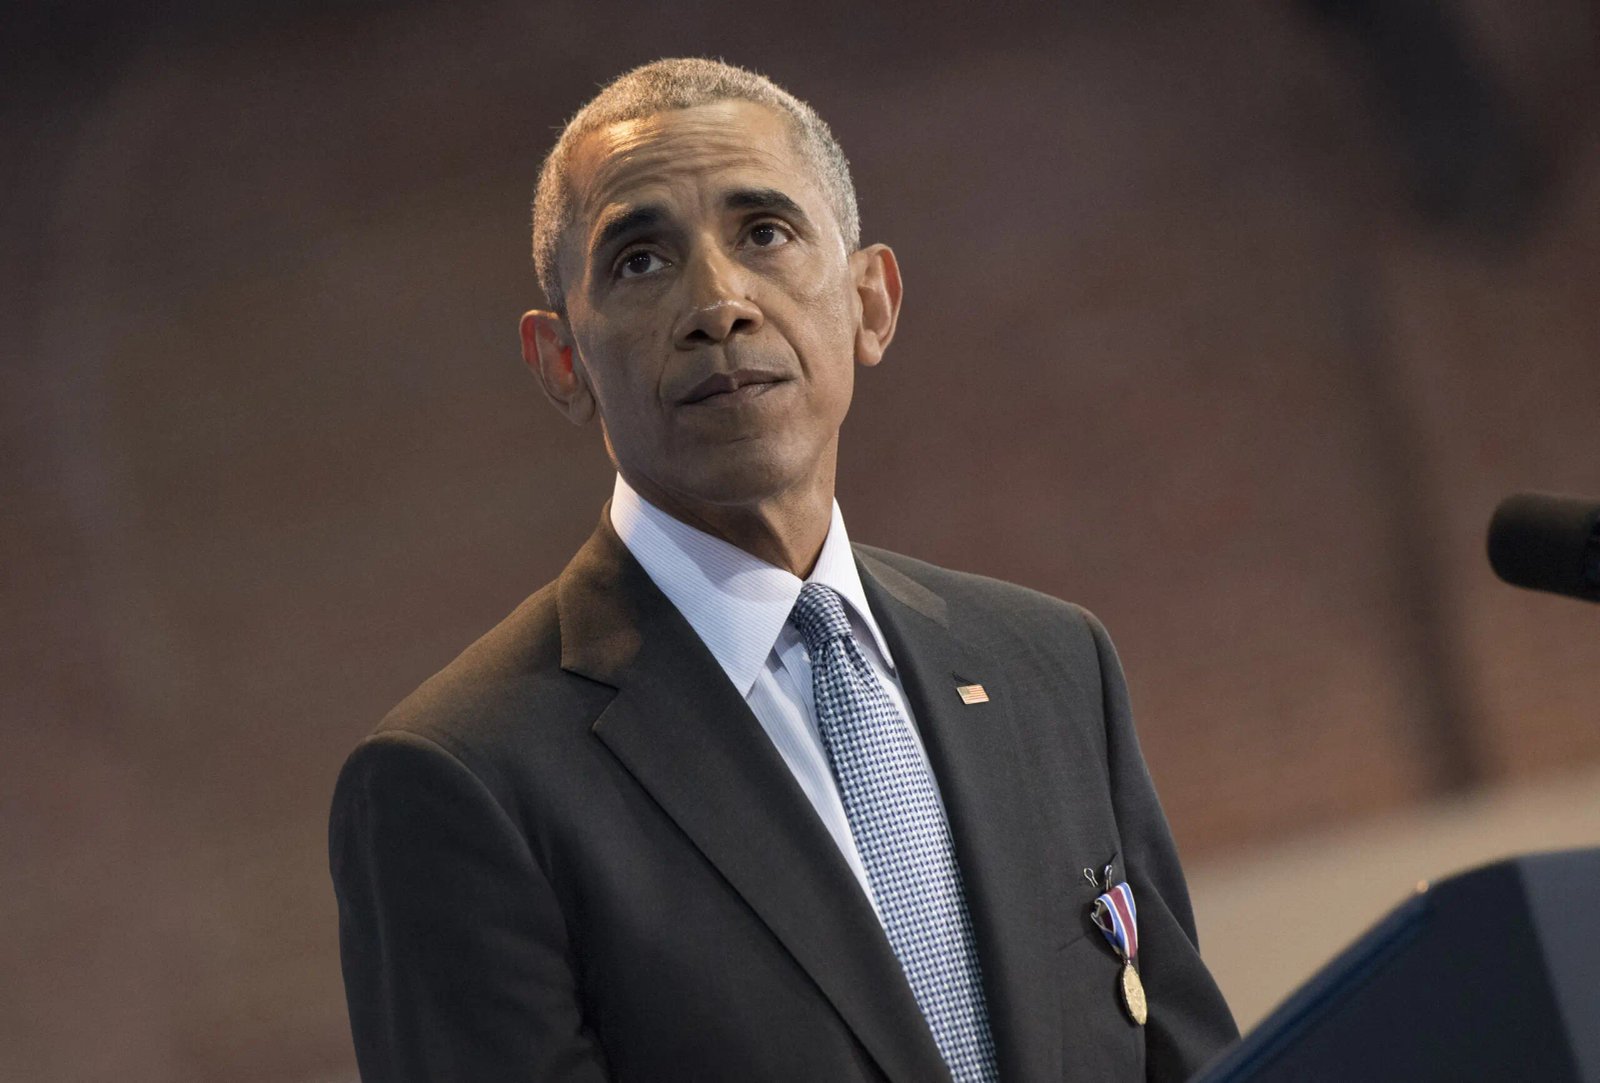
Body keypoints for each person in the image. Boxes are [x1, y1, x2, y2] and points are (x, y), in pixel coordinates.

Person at [329, 57, 1238, 1082]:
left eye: (764, 233)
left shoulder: (1051, 665)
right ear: (562, 364)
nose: (717, 304)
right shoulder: (459, 780)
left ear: (871, 303)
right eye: (639, 260)